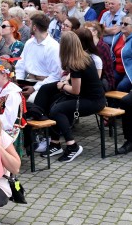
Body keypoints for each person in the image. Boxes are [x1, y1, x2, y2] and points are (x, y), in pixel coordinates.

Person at [36, 31, 106, 163]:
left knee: (57, 109)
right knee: (50, 95)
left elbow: (75, 91)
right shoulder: (83, 57)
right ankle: (54, 142)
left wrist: (62, 86)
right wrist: (63, 83)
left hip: (93, 101)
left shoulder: (75, 63)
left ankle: (72, 145)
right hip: (89, 97)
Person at [15, 12, 61, 103]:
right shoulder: (29, 43)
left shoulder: (53, 47)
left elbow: (56, 75)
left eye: (30, 24)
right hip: (28, 81)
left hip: (45, 85)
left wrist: (35, 88)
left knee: (29, 101)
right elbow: (21, 63)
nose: (28, 27)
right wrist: (18, 82)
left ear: (35, 27)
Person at [84, 21, 115, 91]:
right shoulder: (86, 46)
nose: (85, 33)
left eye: (87, 31)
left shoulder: (103, 47)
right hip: (92, 78)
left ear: (95, 32)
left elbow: (102, 70)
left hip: (105, 80)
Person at [111, 13, 132, 92]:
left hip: (130, 72)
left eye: (126, 24)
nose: (123, 26)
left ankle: (116, 104)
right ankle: (107, 103)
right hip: (117, 70)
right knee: (107, 83)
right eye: (121, 23)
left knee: (121, 87)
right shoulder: (118, 36)